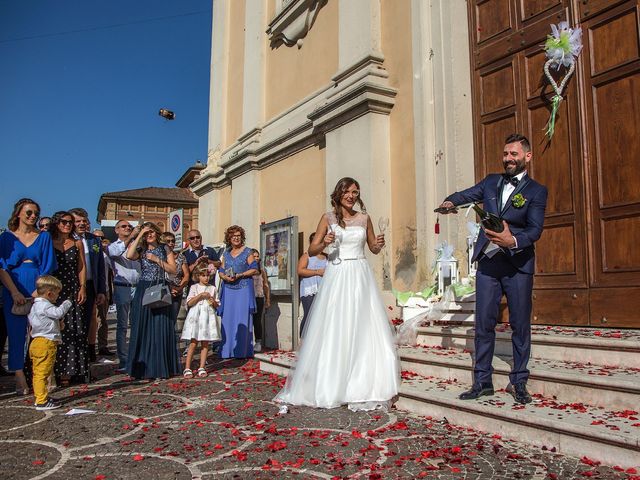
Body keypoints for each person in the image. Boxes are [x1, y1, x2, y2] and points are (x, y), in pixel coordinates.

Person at [439, 133, 548, 404]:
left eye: (514, 154)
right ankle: (482, 381)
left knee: (520, 325)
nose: (508, 159)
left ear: (527, 156)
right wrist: (450, 201)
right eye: (505, 154)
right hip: (489, 264)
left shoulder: (536, 191)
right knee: (483, 324)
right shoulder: (491, 181)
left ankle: (519, 381)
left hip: (517, 264)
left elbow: (535, 230)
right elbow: (467, 194)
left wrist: (513, 240)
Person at [275, 177, 399, 411]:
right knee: (336, 323)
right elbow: (312, 249)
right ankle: (331, 381)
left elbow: (372, 247)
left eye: (355, 192)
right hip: (337, 272)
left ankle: (361, 379)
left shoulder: (365, 218)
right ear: (339, 194)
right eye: (348, 191)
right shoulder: (328, 218)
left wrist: (379, 244)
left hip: (360, 272)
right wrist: (325, 242)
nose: (352, 196)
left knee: (363, 322)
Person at [0, 198, 57, 395]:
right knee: (16, 335)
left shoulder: (44, 237)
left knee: (41, 334)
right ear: (18, 214)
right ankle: (19, 377)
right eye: (29, 213)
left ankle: (45, 374)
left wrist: (37, 293)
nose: (33, 216)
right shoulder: (6, 238)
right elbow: (2, 267)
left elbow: (48, 265)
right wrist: (14, 292)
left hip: (38, 287)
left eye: (35, 213)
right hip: (12, 287)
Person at [125, 222, 180, 380]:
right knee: (142, 327)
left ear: (157, 233)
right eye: (146, 233)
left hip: (159, 287)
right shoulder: (140, 249)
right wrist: (140, 235)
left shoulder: (165, 248)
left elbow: (173, 270)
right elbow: (129, 255)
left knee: (159, 327)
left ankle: (160, 366)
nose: (149, 235)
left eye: (151, 232)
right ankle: (142, 367)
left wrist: (157, 260)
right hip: (143, 288)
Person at [49, 211, 88, 385]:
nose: (67, 225)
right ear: (56, 223)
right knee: (51, 327)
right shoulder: (48, 241)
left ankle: (69, 370)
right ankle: (49, 370)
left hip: (72, 288)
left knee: (72, 329)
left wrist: (82, 287)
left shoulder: (77, 243)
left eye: (70, 222)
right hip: (53, 288)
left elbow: (81, 267)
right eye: (64, 222)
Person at [28, 275, 72, 410]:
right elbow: (58, 313)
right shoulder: (45, 306)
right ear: (49, 293)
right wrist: (67, 303)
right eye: (57, 294)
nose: (58, 297)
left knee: (40, 372)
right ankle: (41, 400)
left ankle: (42, 396)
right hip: (45, 343)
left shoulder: (35, 306)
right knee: (42, 373)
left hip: (37, 341)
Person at [69, 208, 106, 364]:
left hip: (91, 284)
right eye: (78, 221)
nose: (82, 224)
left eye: (84, 221)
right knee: (74, 319)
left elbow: (100, 266)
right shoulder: (67, 239)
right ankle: (74, 352)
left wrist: (102, 290)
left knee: (90, 318)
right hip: (73, 285)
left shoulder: (93, 240)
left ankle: (89, 350)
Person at [217, 226, 258, 359]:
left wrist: (240, 275)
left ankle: (242, 351)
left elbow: (254, 269)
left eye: (238, 235)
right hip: (228, 290)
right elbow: (221, 270)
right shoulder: (226, 253)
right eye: (233, 235)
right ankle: (227, 350)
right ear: (229, 238)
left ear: (242, 237)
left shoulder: (248, 252)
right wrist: (224, 277)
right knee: (227, 319)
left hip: (243, 289)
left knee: (242, 318)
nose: (236, 238)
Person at [181, 265, 220, 378]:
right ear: (198, 276)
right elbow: (189, 303)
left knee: (205, 342)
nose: (206, 278)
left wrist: (213, 301)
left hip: (207, 317)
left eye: (208, 275)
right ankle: (187, 367)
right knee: (193, 342)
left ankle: (202, 366)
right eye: (203, 275)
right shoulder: (194, 287)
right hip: (197, 317)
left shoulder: (213, 288)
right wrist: (201, 295)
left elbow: (217, 304)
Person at [296, 233, 327, 336]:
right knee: (309, 314)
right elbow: (300, 271)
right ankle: (303, 341)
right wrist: (317, 272)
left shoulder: (327, 257)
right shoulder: (306, 256)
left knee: (322, 316)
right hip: (309, 290)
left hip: (323, 290)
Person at [160, 232, 190, 332]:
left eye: (173, 241)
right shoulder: (160, 256)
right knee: (162, 320)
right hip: (162, 291)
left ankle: (170, 344)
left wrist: (179, 288)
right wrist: (169, 288)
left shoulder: (181, 257)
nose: (171, 243)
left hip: (177, 292)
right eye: (168, 241)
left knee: (172, 320)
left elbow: (186, 275)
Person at [92, 229, 113, 357]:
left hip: (104, 290)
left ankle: (102, 346)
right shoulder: (90, 252)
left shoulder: (105, 255)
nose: (99, 241)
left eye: (101, 238)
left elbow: (110, 274)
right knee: (92, 320)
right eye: (96, 238)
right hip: (91, 288)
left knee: (103, 319)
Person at [250, 249, 270, 352]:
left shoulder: (262, 270)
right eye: (254, 256)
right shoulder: (247, 269)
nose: (256, 258)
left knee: (257, 320)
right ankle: (249, 341)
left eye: (258, 256)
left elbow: (266, 284)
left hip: (259, 296)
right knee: (248, 319)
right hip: (249, 297)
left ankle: (258, 342)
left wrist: (268, 299)